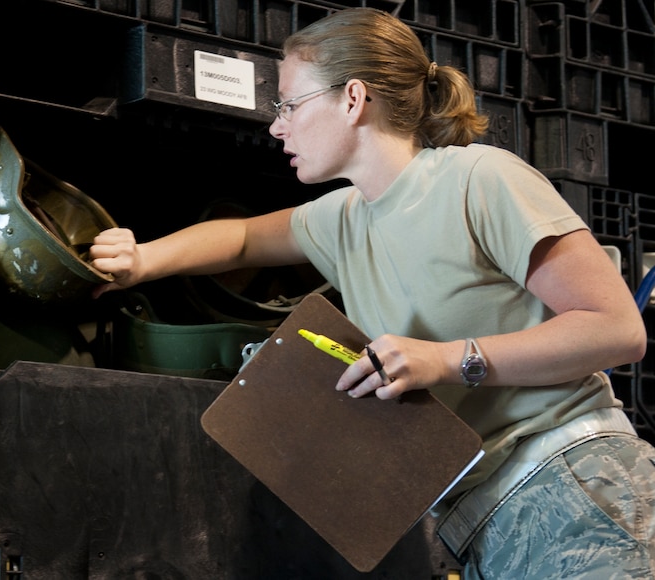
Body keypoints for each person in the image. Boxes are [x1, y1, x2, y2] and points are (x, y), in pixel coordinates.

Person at [89, 7, 655, 578]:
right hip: (479, 522)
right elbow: (238, 240)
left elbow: (616, 329)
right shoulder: (343, 218)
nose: (276, 126)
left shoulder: (478, 180)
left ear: (353, 98)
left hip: (575, 485)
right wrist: (141, 259)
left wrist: (443, 359)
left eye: (288, 104)